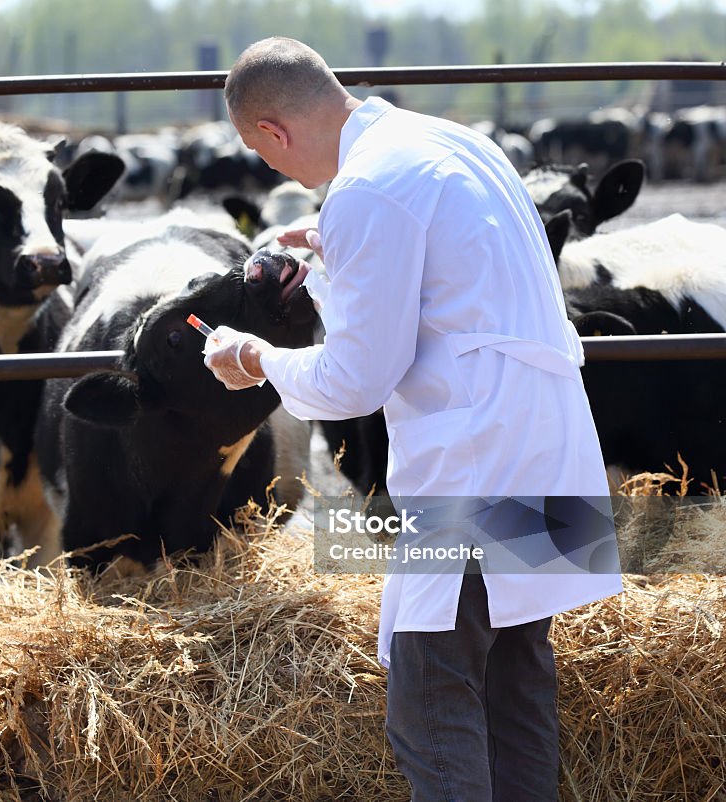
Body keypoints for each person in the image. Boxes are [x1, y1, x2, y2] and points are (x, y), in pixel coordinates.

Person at [204, 36, 623, 801]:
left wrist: (254, 357)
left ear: (272, 132)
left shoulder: (366, 187)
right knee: (514, 684)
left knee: (430, 702)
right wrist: (338, 248)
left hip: (474, 460)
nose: (272, 169)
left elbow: (354, 382)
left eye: (261, 154)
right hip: (546, 437)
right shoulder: (454, 142)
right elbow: (455, 270)